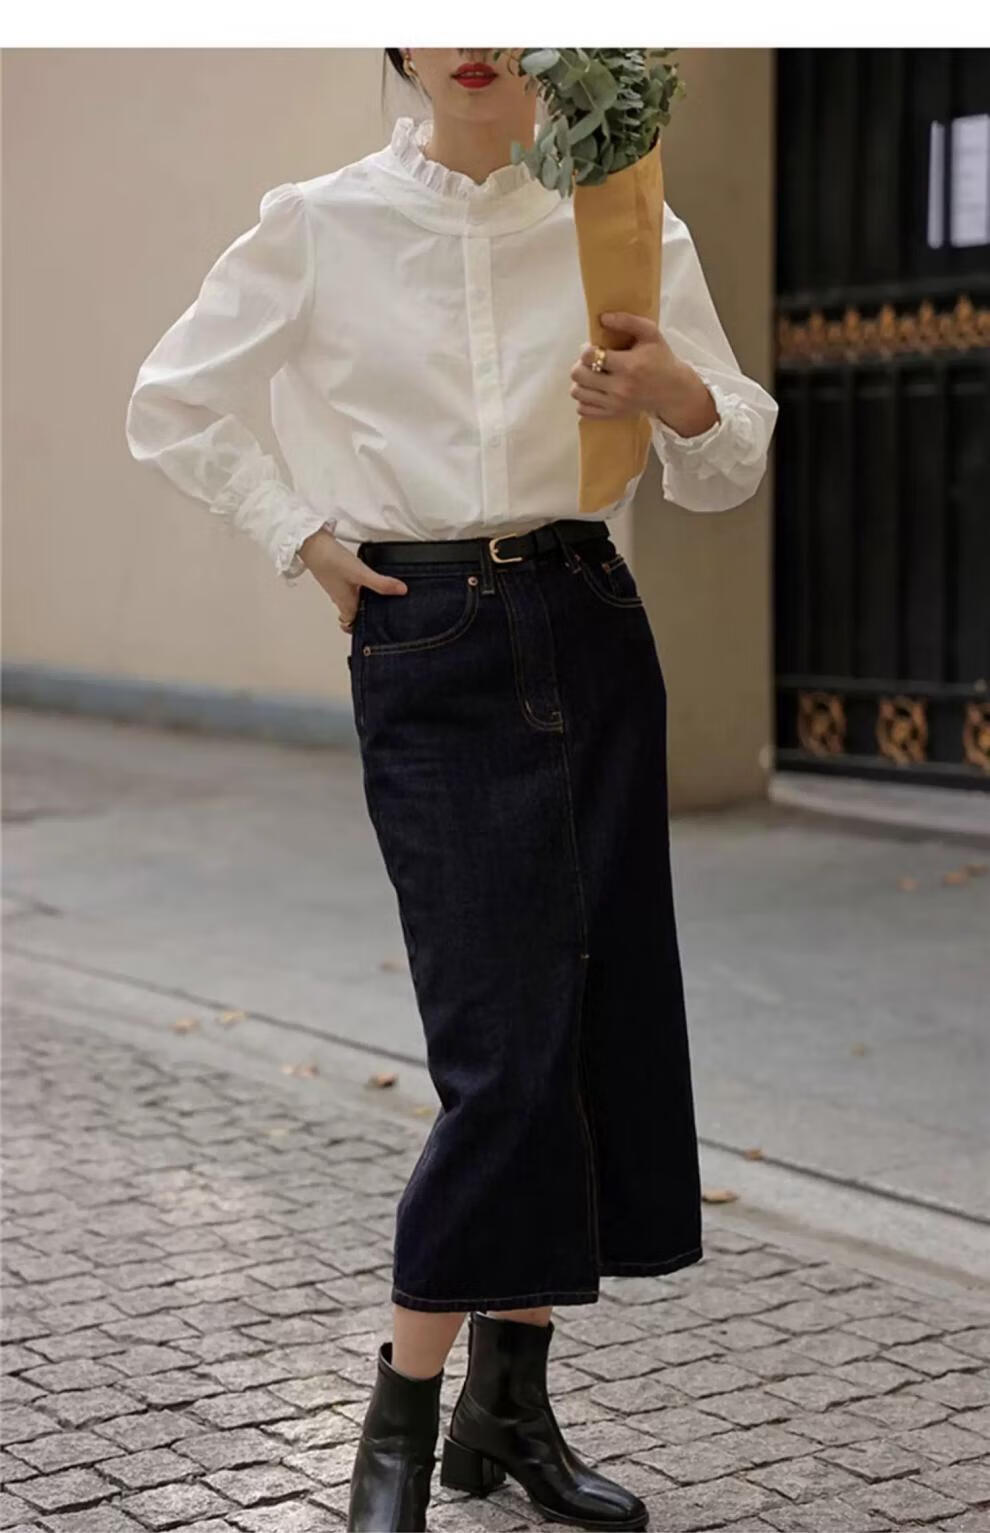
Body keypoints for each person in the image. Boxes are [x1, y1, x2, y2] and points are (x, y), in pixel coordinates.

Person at [125, 46, 779, 1533]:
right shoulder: (320, 220)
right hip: (426, 641)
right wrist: (301, 537)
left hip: (588, 623)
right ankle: (399, 1425)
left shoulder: (623, 220)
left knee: (580, 1026)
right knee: (499, 1047)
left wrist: (677, 393)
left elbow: (729, 457)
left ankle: (505, 1414)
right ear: (402, 47)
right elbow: (172, 404)